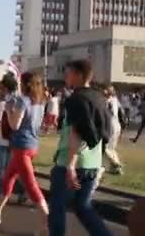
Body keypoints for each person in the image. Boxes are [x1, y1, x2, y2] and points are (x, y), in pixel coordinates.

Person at [48, 60, 113, 236]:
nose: (65, 77)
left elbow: (76, 133)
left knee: (57, 207)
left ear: (79, 75)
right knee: (82, 207)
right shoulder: (100, 98)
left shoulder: (75, 99)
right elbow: (107, 131)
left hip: (71, 163)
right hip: (92, 163)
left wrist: (70, 165)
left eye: (68, 73)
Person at [0, 72, 48, 231]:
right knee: (8, 179)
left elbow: (14, 125)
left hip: (22, 147)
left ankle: (46, 223)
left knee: (32, 187)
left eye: (20, 82)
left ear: (25, 84)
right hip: (30, 145)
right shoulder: (39, 102)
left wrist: (9, 111)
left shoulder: (22, 101)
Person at [0, 74, 25, 202]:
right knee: (13, 170)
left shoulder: (3, 104)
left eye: (0, 88)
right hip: (14, 142)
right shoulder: (18, 102)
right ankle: (22, 191)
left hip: (1, 142)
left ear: (5, 89)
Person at [103, 86, 123, 175]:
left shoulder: (107, 101)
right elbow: (121, 112)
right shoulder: (115, 100)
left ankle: (116, 164)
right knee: (111, 148)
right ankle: (115, 169)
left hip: (110, 125)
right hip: (117, 124)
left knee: (104, 147)